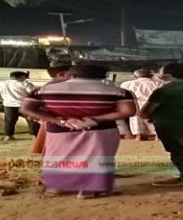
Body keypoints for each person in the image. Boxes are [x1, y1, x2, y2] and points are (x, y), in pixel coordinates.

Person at [20, 65, 137, 199]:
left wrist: (59, 120)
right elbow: (128, 111)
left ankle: (56, 187)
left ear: (72, 75)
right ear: (104, 76)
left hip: (59, 130)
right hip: (100, 130)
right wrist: (94, 119)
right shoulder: (119, 92)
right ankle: (89, 190)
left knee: (59, 157)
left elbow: (26, 109)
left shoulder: (43, 90)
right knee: (96, 158)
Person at [140, 63, 183, 185]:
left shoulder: (163, 91)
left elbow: (146, 111)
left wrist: (152, 116)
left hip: (172, 125)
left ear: (169, 75)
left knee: (180, 150)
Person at [31, 63, 72, 154]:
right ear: (62, 74)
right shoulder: (51, 89)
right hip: (58, 124)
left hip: (51, 123)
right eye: (73, 74)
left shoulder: (42, 89)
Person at [0, 71, 38, 141]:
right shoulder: (25, 84)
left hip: (9, 104)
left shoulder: (0, 84)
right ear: (23, 76)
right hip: (25, 104)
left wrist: (2, 100)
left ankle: (9, 136)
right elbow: (33, 93)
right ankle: (35, 135)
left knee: (9, 121)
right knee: (31, 120)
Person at [120, 68, 164, 140]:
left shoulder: (126, 84)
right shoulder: (159, 83)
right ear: (151, 76)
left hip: (136, 107)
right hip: (153, 106)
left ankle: (139, 135)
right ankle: (157, 135)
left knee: (136, 114)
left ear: (135, 76)